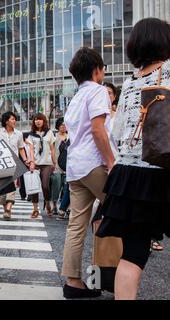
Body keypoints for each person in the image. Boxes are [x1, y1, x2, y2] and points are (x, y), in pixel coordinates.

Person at [96, 18, 170, 300]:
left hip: (129, 174)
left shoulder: (129, 83)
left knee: (134, 253)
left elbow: (116, 131)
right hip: (161, 169)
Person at [61, 47, 115, 299]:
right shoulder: (98, 91)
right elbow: (98, 130)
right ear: (96, 70)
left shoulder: (75, 98)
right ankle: (111, 277)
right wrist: (112, 162)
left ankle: (74, 282)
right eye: (102, 69)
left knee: (77, 225)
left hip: (75, 167)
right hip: (95, 164)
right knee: (118, 213)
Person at [0, 111, 29, 220]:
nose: (14, 121)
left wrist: (26, 160)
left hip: (14, 162)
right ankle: (6, 210)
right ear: (6, 121)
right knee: (3, 188)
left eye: (15, 119)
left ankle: (8, 207)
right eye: (12, 119)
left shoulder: (19, 134)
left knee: (12, 186)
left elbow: (21, 148)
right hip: (1, 163)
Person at [26, 113, 56, 218]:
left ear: (44, 121)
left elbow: (52, 149)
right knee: (34, 188)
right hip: (36, 164)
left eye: (40, 119)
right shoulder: (31, 135)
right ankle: (35, 209)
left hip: (47, 164)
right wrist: (32, 163)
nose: (37, 121)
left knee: (45, 186)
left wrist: (54, 162)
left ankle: (47, 204)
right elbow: (30, 150)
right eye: (35, 120)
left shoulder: (49, 133)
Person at [50, 117, 68, 216]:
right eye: (61, 125)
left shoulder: (70, 136)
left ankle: (64, 206)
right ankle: (54, 205)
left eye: (65, 125)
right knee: (56, 185)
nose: (63, 127)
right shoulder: (54, 137)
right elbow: (51, 151)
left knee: (66, 187)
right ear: (58, 126)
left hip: (67, 166)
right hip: (56, 165)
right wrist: (53, 163)